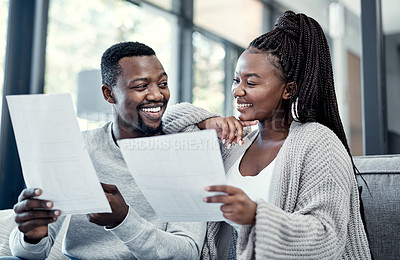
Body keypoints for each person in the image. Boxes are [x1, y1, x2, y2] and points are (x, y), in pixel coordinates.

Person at [7, 41, 231, 260]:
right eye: (141, 86)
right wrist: (32, 235)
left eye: (162, 84)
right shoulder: (79, 149)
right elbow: (30, 253)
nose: (157, 95)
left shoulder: (186, 154)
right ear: (108, 94)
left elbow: (189, 251)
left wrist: (123, 220)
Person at [202, 10, 372, 259]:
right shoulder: (236, 142)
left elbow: (326, 236)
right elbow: (165, 129)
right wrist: (205, 122)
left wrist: (255, 216)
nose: (237, 91)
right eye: (236, 79)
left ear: (288, 90)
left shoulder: (319, 143)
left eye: (251, 83)